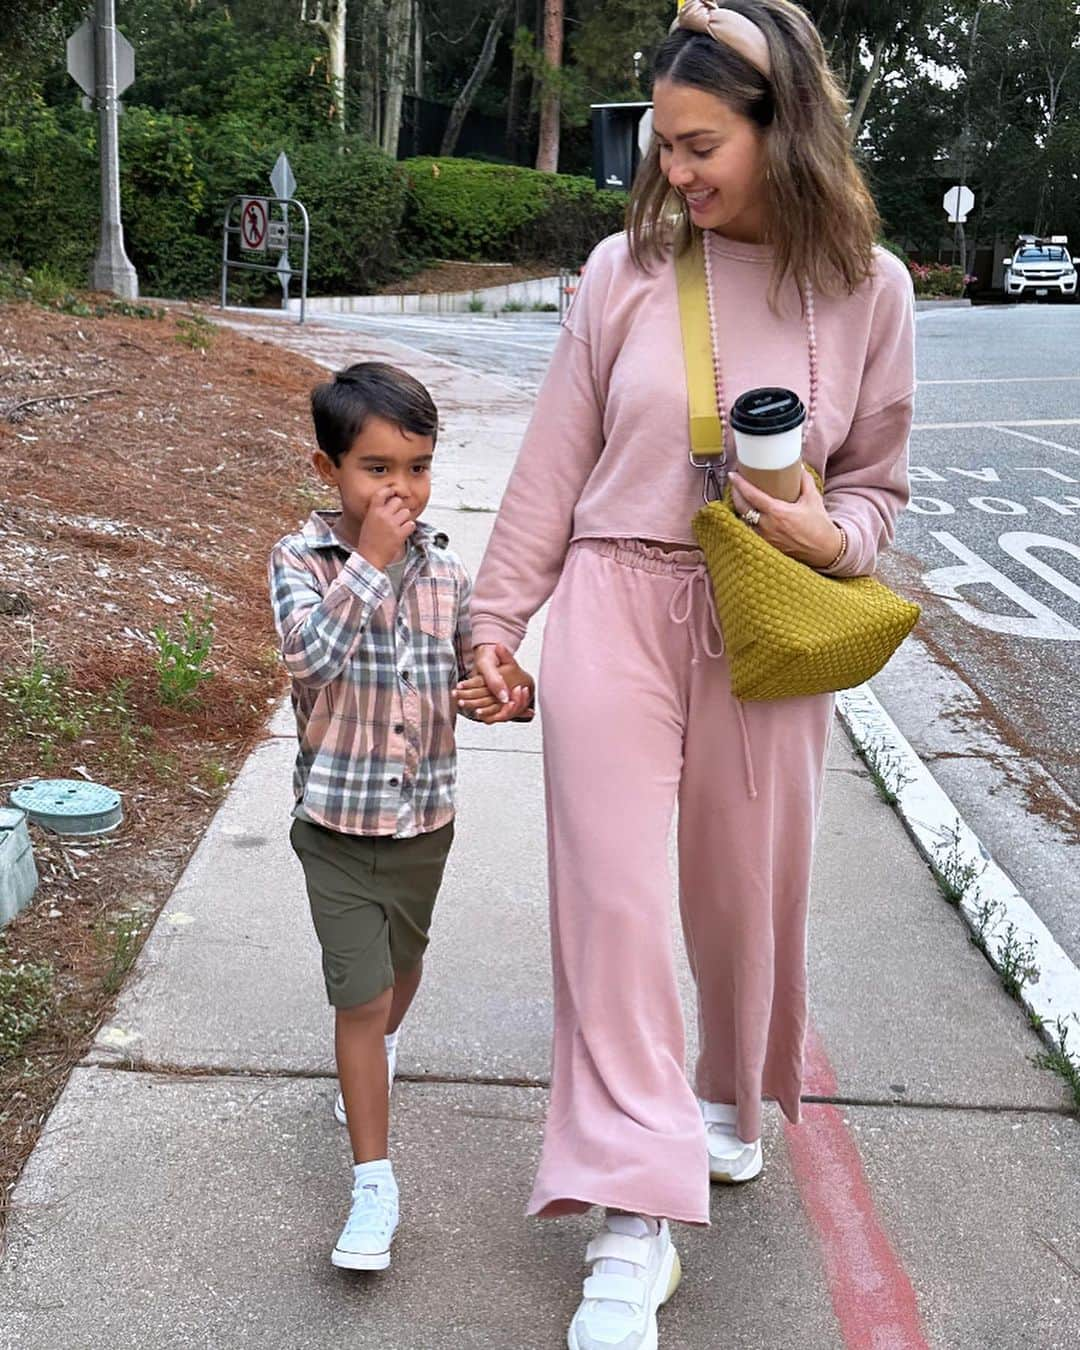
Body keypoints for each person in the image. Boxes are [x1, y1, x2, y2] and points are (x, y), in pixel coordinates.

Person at [455, 2, 915, 1345]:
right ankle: (630, 1215)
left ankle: (724, 1094)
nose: (676, 172)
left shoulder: (871, 290)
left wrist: (839, 533)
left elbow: (883, 480)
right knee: (609, 899)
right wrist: (498, 619)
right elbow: (553, 459)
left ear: (787, 130)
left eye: (702, 143)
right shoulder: (624, 273)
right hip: (617, 590)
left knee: (739, 889)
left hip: (765, 616)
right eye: (662, 145)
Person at [269, 362, 532, 1272]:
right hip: (336, 828)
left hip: (425, 823)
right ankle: (372, 1185)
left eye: (416, 467)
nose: (400, 489)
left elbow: (482, 665)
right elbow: (308, 659)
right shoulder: (300, 563)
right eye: (376, 468)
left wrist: (508, 689)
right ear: (327, 468)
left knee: (402, 972)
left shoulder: (447, 571)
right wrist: (371, 563)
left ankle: (370, 1067)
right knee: (363, 994)